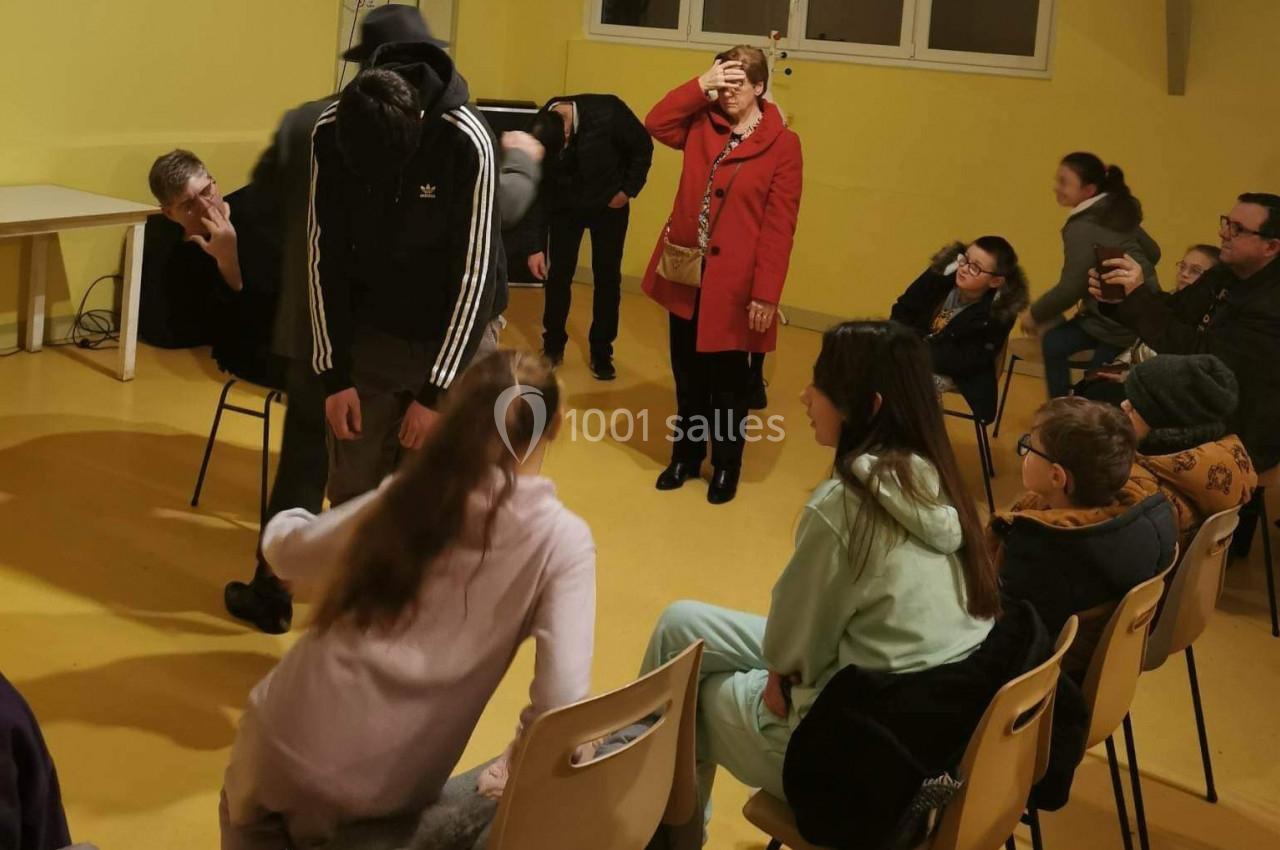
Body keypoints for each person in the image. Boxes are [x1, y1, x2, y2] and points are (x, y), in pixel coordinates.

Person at [220, 350, 596, 850]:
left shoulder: (414, 492)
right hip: (376, 792)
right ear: (555, 427)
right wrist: (518, 751)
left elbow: (290, 557)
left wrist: (286, 522)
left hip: (278, 745)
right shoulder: (561, 542)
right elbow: (562, 702)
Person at [638, 321, 1000, 829]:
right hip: (914, 722)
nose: (805, 396)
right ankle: (636, 814)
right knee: (680, 623)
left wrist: (781, 674)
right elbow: (801, 644)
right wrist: (785, 668)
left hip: (845, 755)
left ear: (868, 406)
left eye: (821, 386)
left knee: (679, 704)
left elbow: (790, 649)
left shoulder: (844, 505)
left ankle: (643, 829)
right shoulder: (937, 482)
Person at [309, 44, 503, 507]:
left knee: (433, 495)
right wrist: (333, 376)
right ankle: (353, 578)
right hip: (374, 324)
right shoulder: (330, 130)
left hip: (456, 328)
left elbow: (474, 277)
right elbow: (323, 256)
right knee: (353, 486)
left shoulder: (467, 140)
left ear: (416, 128)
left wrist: (436, 392)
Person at [643, 45, 803, 504]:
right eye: (724, 82)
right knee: (688, 376)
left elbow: (779, 227)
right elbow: (656, 122)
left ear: (759, 87)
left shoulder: (783, 145)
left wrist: (766, 294)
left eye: (739, 83)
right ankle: (686, 457)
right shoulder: (699, 124)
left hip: (737, 287)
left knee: (730, 386)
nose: (729, 93)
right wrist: (700, 85)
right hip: (687, 275)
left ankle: (727, 466)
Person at [1090, 193, 1280, 555]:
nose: (1224, 233)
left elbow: (1201, 353)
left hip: (1244, 425)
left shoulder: (1273, 305)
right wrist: (1122, 297)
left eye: (1238, 229)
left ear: (1271, 246)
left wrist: (1137, 298)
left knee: (1111, 421)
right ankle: (1109, 526)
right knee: (1096, 404)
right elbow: (1176, 312)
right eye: (1227, 221)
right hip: (1206, 397)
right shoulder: (1227, 272)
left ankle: (1135, 540)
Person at [995, 397, 1177, 676]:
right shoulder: (1144, 520)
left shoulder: (1040, 548)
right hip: (1098, 671)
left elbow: (999, 632)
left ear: (1057, 477)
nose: (1025, 453)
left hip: (1040, 683)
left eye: (1030, 447)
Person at [518, 94, 654, 379]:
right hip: (566, 208)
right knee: (559, 277)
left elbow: (642, 147)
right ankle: (553, 346)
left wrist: (627, 190)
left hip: (609, 206)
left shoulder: (610, 111)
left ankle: (602, 351)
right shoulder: (542, 127)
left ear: (568, 130)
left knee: (607, 278)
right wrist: (534, 247)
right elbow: (538, 190)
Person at [1022, 152, 1161, 398]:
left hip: (1124, 325)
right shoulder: (1114, 211)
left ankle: (1072, 419)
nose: (1056, 187)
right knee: (1054, 342)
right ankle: (1061, 410)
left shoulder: (1083, 226)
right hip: (1105, 317)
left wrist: (1034, 314)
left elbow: (1071, 286)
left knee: (1094, 389)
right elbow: (1154, 252)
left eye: (1064, 182)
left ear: (1088, 190)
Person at [145, 150, 282, 389]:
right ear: (169, 213)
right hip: (253, 345)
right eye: (188, 206)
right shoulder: (172, 252)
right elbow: (219, 328)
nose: (206, 207)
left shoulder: (256, 213)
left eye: (207, 191)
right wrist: (226, 259)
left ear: (214, 182)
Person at [1121, 354, 1257, 552]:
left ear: (1165, 421)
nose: (1124, 404)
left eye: (1135, 405)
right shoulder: (1223, 459)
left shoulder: (1142, 491)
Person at [890, 237, 1029, 423]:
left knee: (913, 385)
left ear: (995, 281)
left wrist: (916, 352)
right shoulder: (941, 274)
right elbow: (903, 308)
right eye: (965, 259)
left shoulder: (999, 312)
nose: (963, 268)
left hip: (955, 370)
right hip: (913, 348)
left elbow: (969, 359)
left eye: (975, 268)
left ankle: (920, 439)